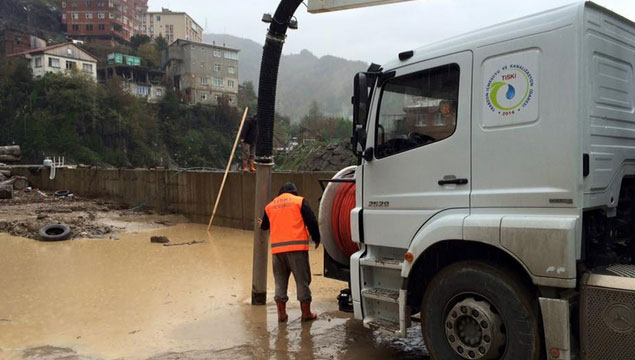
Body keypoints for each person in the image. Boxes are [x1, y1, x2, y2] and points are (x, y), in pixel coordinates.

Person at [258, 182, 321, 323]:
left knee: (280, 283)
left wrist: (261, 223)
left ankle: (281, 315)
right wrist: (316, 238)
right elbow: (311, 220)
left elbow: (265, 226)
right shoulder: (299, 201)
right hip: (297, 249)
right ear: (294, 192)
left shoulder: (270, 206)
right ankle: (306, 314)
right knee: (302, 281)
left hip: (277, 251)